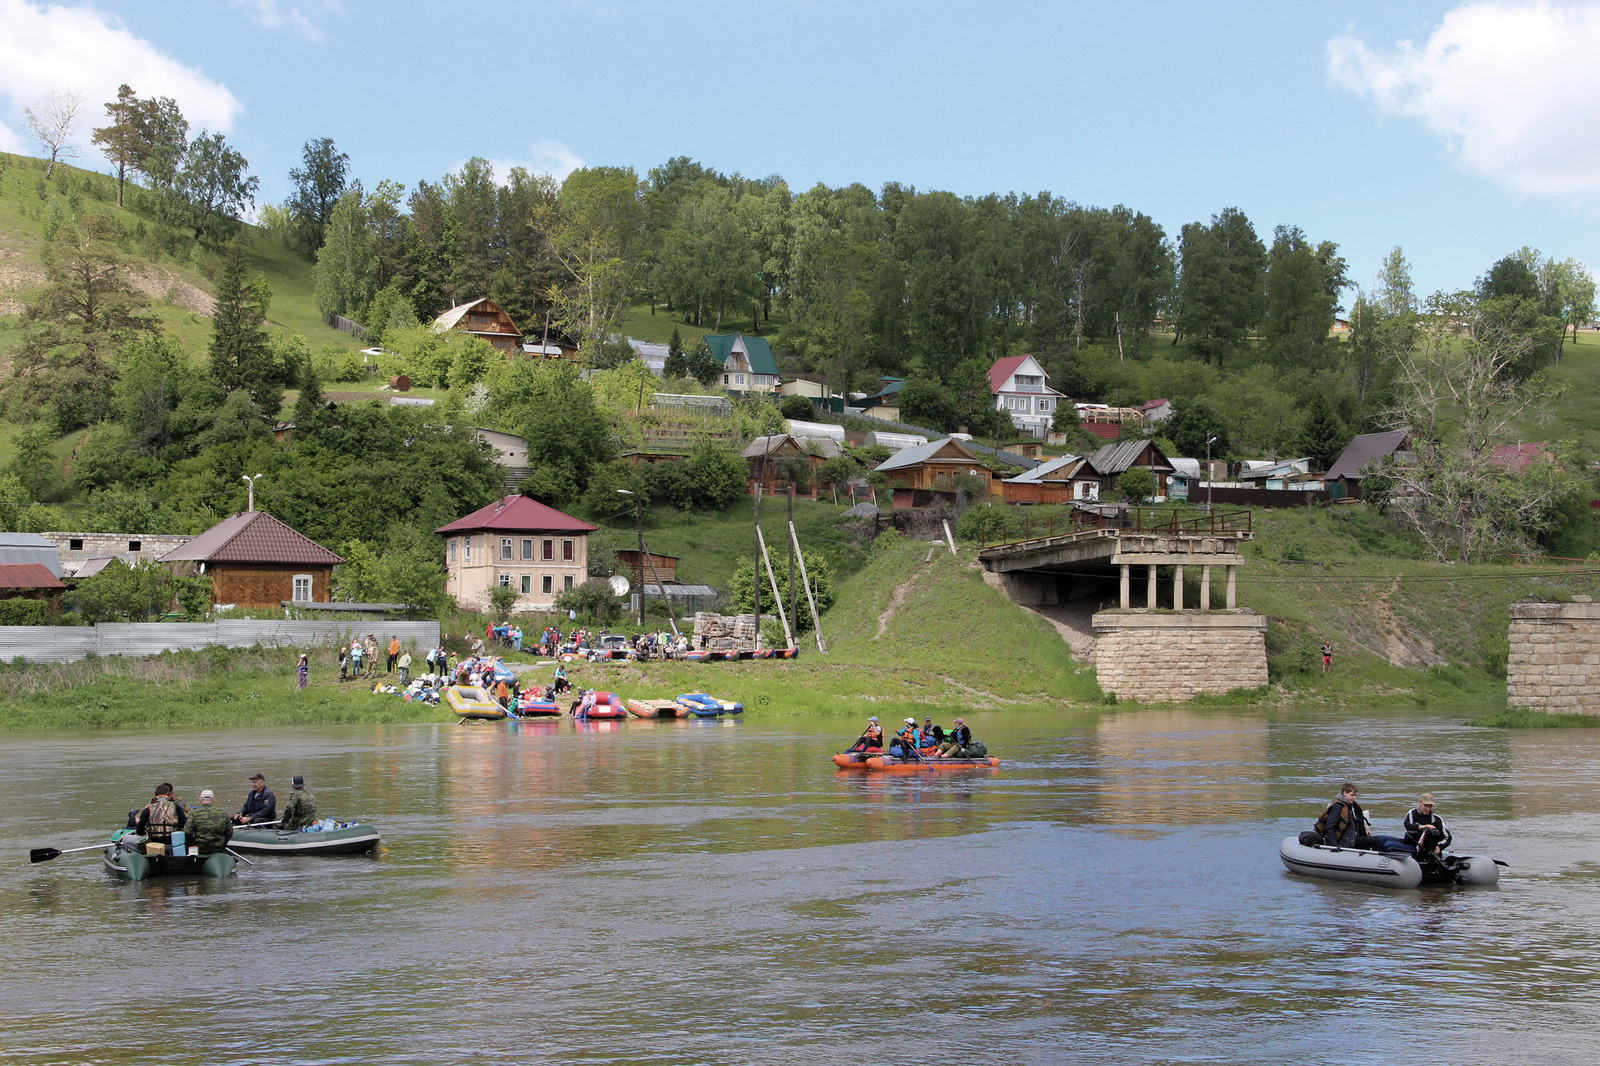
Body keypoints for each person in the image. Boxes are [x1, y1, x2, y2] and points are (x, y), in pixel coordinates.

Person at [1312, 782, 1379, 849]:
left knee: (1383, 839)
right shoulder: (1338, 807)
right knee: (1377, 841)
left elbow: (1356, 823)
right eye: (1352, 795)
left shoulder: (1351, 806)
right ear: (1344, 793)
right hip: (1345, 842)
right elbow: (1329, 827)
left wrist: (1366, 831)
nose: (1354, 798)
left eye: (1355, 795)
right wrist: (1334, 846)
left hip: (1352, 837)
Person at [135, 783, 187, 849]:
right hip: (173, 842)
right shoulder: (176, 807)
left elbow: (139, 830)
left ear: (156, 795)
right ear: (168, 795)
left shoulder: (148, 809)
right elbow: (184, 823)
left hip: (154, 844)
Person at [1403, 793, 1452, 859]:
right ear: (1419, 802)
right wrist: (1423, 827)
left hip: (1428, 850)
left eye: (1430, 806)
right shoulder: (1412, 813)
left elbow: (1447, 837)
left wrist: (1439, 847)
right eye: (1426, 806)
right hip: (1410, 845)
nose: (1428, 809)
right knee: (1385, 841)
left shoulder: (1438, 819)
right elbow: (1409, 826)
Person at [187, 789, 233, 855]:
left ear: (200, 799)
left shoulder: (194, 813)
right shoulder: (223, 813)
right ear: (213, 799)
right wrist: (223, 844)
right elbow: (229, 832)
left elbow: (188, 831)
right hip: (218, 847)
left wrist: (191, 842)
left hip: (200, 847)